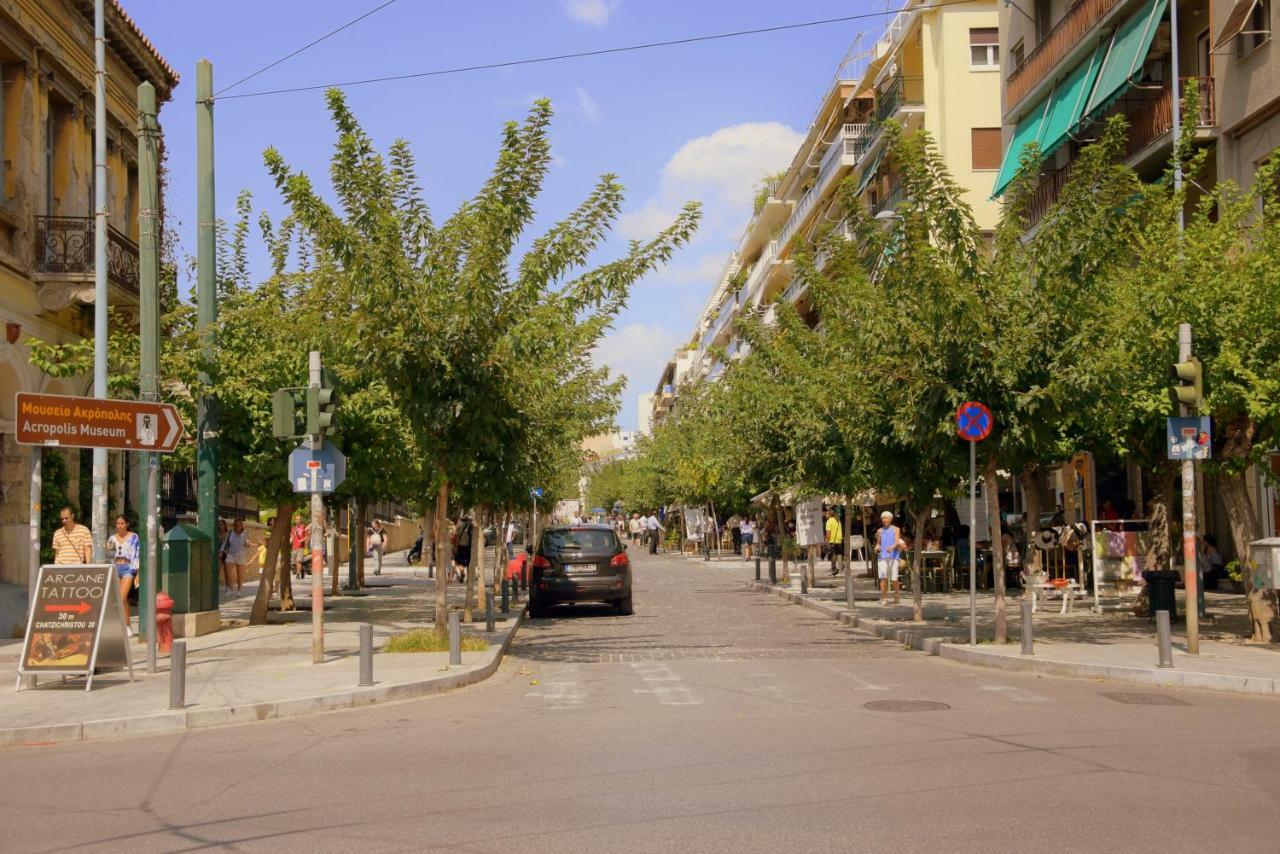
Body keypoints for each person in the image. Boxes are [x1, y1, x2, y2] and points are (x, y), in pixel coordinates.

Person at [107, 515, 140, 637]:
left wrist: (137, 572)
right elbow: (109, 556)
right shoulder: (111, 539)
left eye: (122, 523)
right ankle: (127, 624)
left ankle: (123, 625)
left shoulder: (134, 537)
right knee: (123, 599)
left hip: (128, 569)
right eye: (117, 523)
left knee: (121, 598)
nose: (119, 526)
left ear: (127, 524)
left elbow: (137, 555)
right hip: (115, 568)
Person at [876, 511, 904, 606]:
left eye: (886, 518)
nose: (884, 520)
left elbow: (897, 541)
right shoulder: (879, 531)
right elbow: (878, 543)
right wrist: (877, 547)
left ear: (891, 519)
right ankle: (884, 597)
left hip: (893, 556)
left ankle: (896, 594)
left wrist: (892, 547)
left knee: (894, 578)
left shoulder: (896, 529)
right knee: (883, 577)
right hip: (882, 557)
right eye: (883, 518)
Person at [222, 518, 252, 593]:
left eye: (240, 525)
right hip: (230, 555)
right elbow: (226, 542)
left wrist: (247, 544)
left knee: (240, 575)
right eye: (236, 525)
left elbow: (247, 543)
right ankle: (231, 589)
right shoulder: (230, 532)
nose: (238, 527)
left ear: (242, 525)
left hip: (241, 556)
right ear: (233, 525)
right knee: (228, 573)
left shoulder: (245, 533)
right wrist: (221, 550)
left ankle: (239, 590)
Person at [452, 516, 474, 582]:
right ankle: (469, 578)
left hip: (460, 546)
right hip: (469, 547)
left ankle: (462, 574)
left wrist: (455, 546)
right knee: (468, 562)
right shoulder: (471, 526)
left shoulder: (459, 526)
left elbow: (456, 537)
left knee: (459, 562)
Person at [824, 508, 844, 576]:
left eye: (826, 513)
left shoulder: (829, 521)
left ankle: (834, 569)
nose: (825, 515)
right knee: (839, 554)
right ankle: (841, 566)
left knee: (832, 555)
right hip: (839, 539)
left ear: (829, 514)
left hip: (832, 540)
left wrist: (827, 540)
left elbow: (828, 533)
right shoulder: (838, 520)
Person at [216, 518, 230, 588]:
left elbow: (230, 544)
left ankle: (228, 587)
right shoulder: (216, 533)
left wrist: (226, 551)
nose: (220, 526)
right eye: (219, 524)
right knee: (217, 570)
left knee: (226, 571)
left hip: (226, 554)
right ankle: (215, 586)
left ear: (225, 525)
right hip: (218, 554)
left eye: (221, 524)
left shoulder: (228, 534)